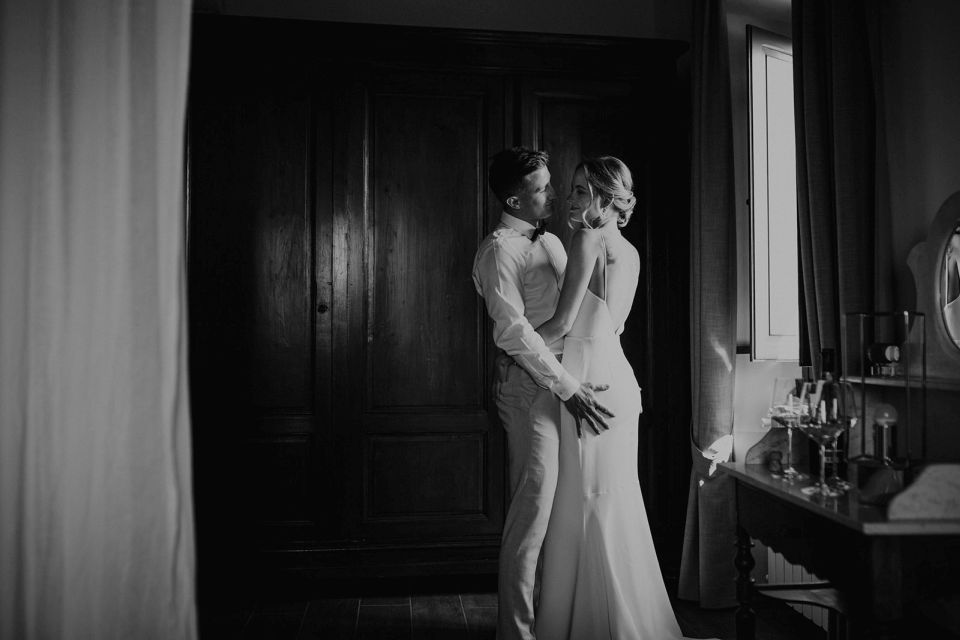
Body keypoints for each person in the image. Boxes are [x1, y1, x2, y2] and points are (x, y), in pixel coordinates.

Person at [534, 156, 708, 640]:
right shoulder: (630, 252)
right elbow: (614, 325)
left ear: (607, 198)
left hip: (586, 379)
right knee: (609, 499)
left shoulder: (586, 239)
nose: (570, 200)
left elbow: (563, 323)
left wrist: (515, 349)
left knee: (585, 500)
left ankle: (590, 625)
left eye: (580, 191)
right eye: (571, 189)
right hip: (617, 378)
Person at [472, 147, 615, 640]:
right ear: (514, 199)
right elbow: (514, 333)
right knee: (531, 513)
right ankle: (515, 633)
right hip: (529, 387)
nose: (554, 194)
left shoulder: (553, 240)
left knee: (561, 512)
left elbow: (577, 312)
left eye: (553, 183)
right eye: (542, 188)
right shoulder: (497, 252)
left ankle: (550, 623)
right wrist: (568, 387)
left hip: (564, 383)